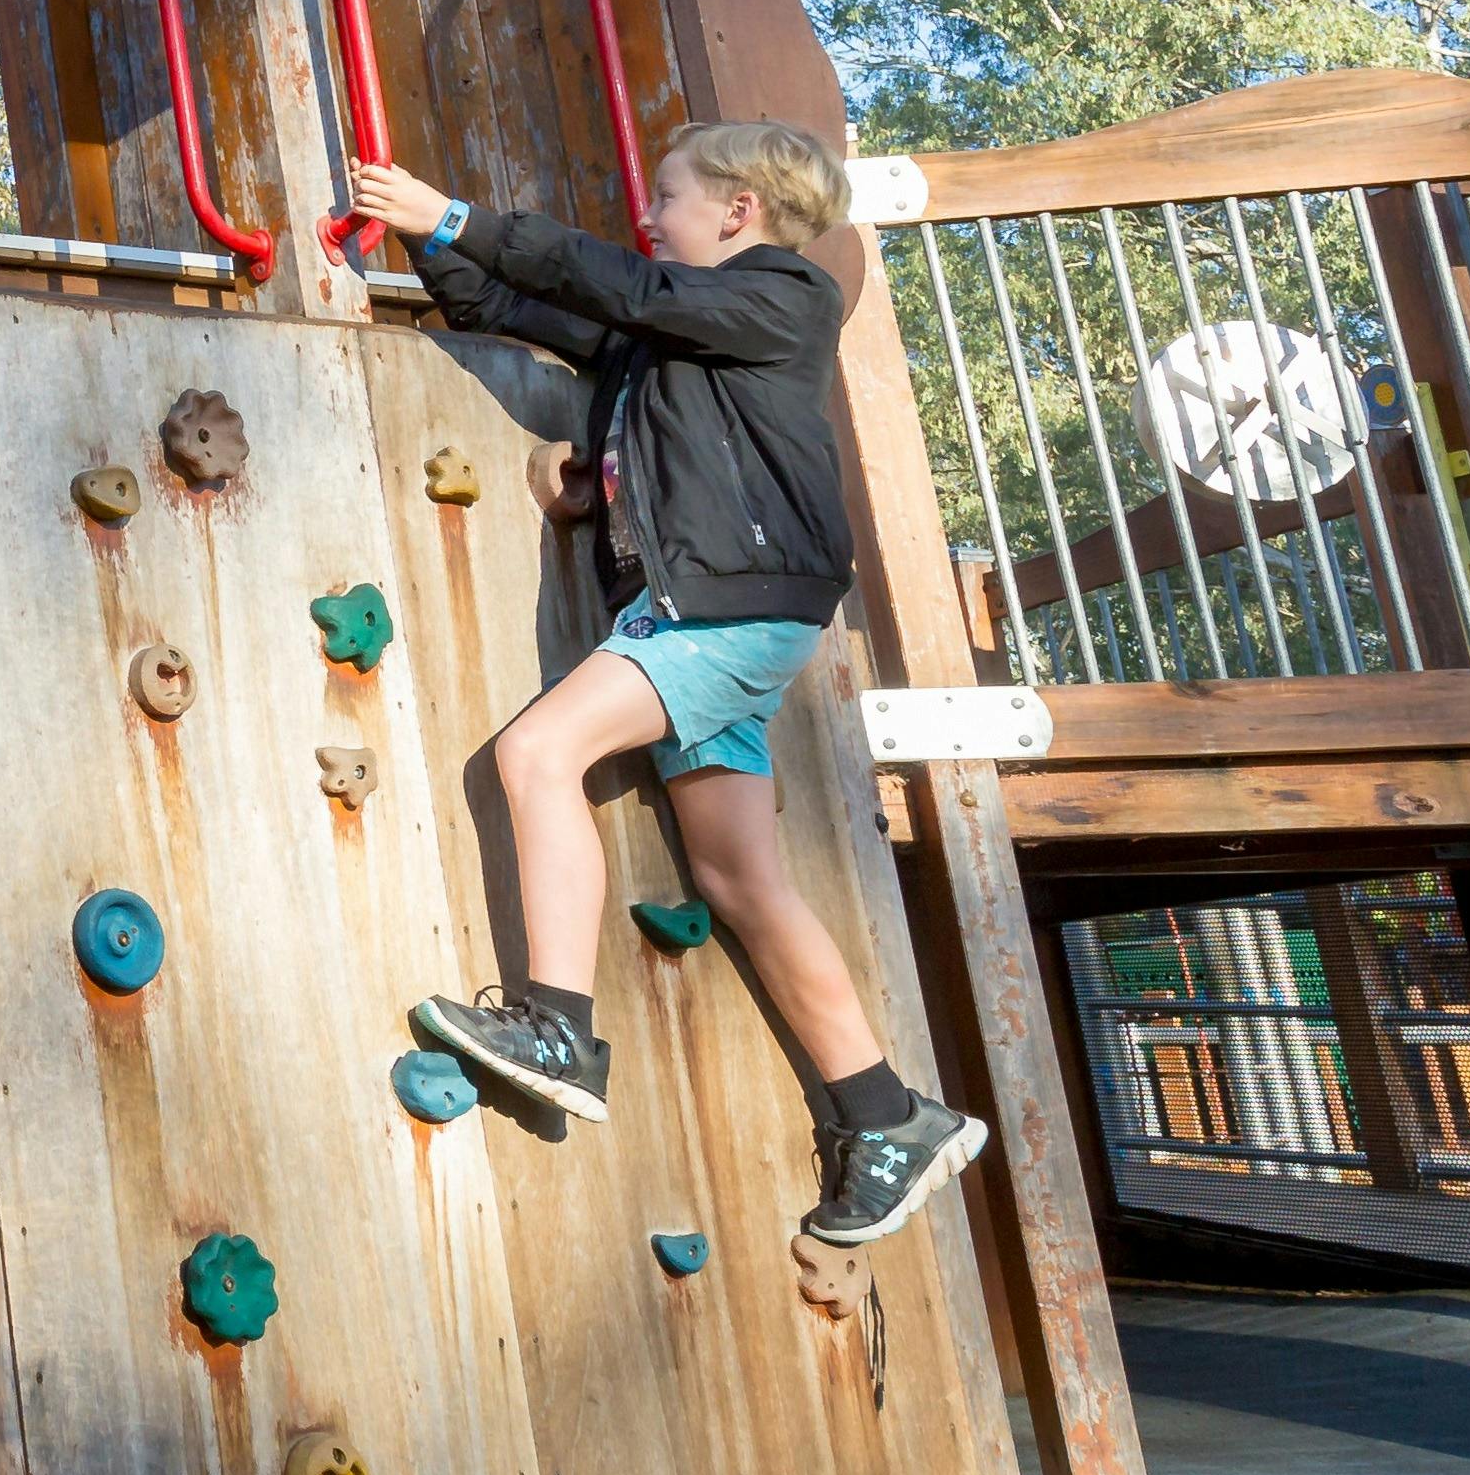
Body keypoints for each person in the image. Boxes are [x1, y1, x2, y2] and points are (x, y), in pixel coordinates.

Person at [347, 123, 993, 1251]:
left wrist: (458, 214)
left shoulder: (784, 297)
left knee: (534, 755)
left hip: (730, 608)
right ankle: (884, 1117)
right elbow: (510, 308)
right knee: (738, 879)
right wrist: (424, 242)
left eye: (668, 195)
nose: (648, 212)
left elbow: (623, 279)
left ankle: (554, 1027)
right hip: (722, 617)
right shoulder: (661, 342)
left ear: (738, 212)